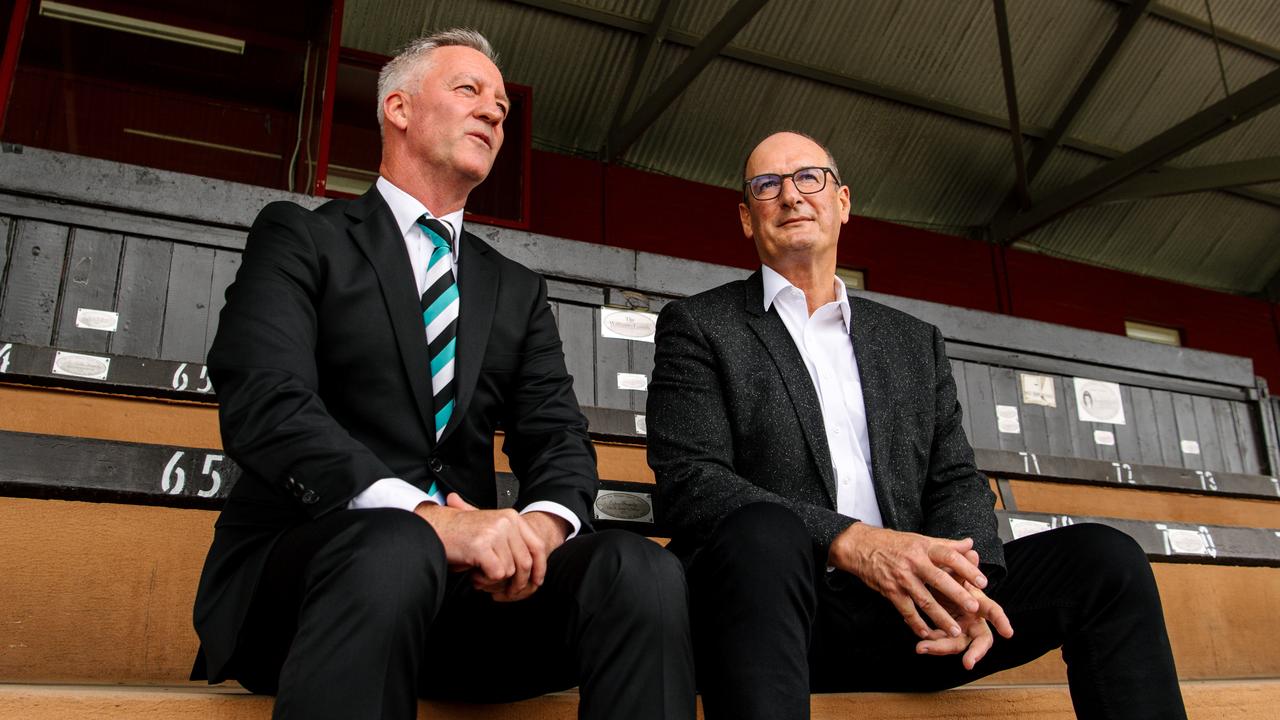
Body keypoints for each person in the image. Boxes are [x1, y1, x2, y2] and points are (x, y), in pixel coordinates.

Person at [191, 28, 694, 720]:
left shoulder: (514, 289)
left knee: (641, 570)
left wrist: (538, 534)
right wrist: (428, 519)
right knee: (399, 547)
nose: (494, 112)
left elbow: (557, 440)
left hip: (471, 608)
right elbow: (266, 404)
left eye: (502, 108)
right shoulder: (302, 238)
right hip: (314, 585)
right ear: (398, 108)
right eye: (469, 91)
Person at [646, 130, 1186, 720]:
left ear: (843, 202)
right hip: (778, 618)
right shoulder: (700, 325)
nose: (791, 196)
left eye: (809, 178)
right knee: (763, 532)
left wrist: (964, 586)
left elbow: (954, 479)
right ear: (748, 219)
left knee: (1107, 560)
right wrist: (855, 541)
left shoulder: (911, 341)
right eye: (767, 185)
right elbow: (693, 483)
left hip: (912, 617)